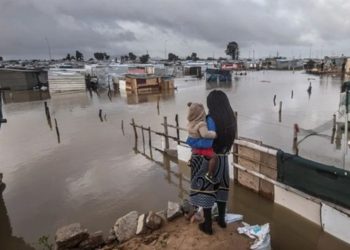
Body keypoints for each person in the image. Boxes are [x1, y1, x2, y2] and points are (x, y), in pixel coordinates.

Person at [188, 90, 236, 235]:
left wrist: (191, 142)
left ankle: (207, 226)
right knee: (222, 190)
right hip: (223, 158)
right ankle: (221, 221)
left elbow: (205, 140)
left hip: (209, 159)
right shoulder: (231, 120)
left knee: (206, 191)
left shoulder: (209, 119)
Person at [186, 102, 218, 184]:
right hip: (200, 147)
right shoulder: (201, 124)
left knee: (194, 150)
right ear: (201, 114)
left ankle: (190, 160)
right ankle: (210, 175)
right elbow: (205, 134)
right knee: (214, 157)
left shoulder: (191, 123)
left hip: (193, 145)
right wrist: (214, 134)